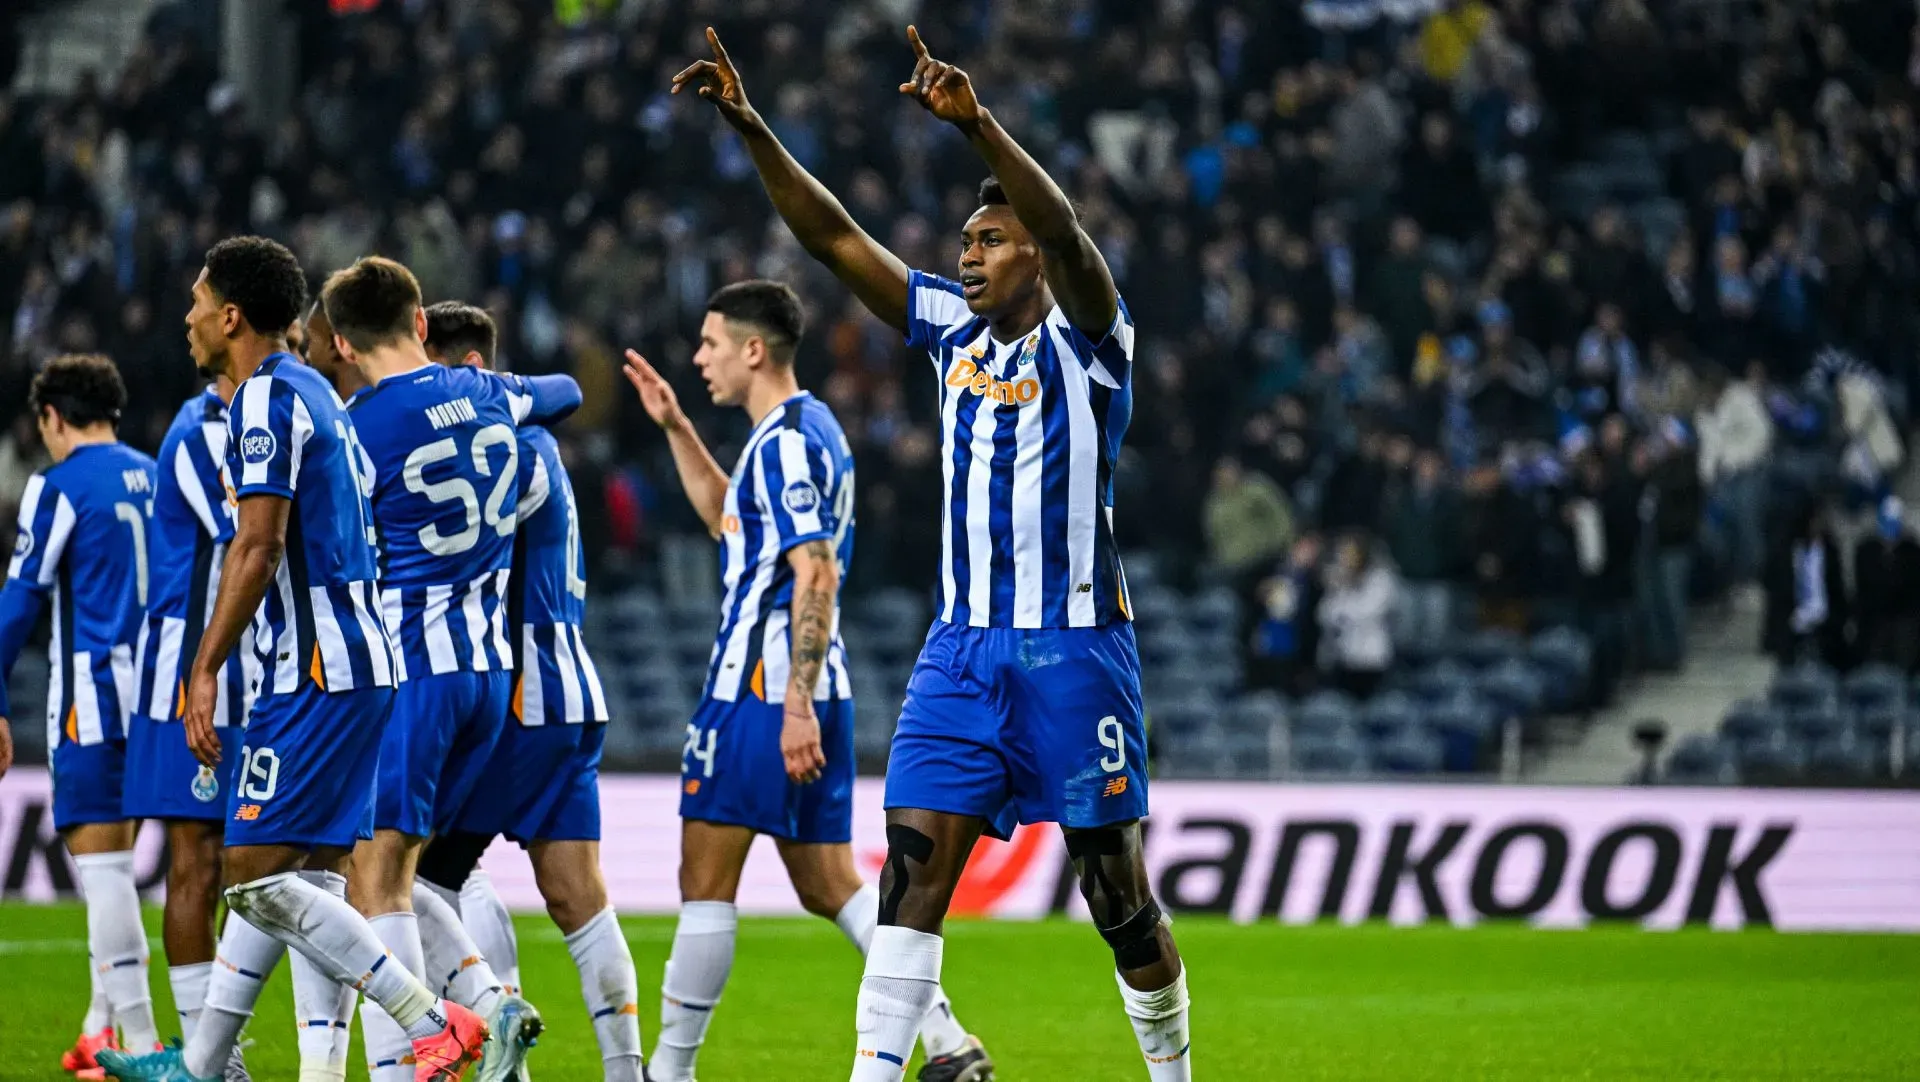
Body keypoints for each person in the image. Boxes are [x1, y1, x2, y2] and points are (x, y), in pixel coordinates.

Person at [674, 27, 1190, 1081]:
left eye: (990, 237)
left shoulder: (1094, 341)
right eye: (963, 237)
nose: (967, 251)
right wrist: (751, 124)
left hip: (1076, 649)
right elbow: (833, 240)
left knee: (1116, 896)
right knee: (910, 877)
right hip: (958, 655)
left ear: (1034, 254)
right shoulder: (951, 329)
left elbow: (1074, 233)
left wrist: (980, 126)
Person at [98, 236, 488, 1082]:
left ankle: (438, 1021)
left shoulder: (266, 400)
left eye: (199, 301)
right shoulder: (319, 390)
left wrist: (204, 667)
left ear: (231, 315)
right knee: (322, 871)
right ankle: (235, 1064)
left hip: (317, 672)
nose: (189, 317)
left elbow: (259, 543)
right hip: (359, 660)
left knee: (250, 875)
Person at [621, 280, 992, 1082]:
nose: (698, 359)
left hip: (761, 687)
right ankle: (946, 1037)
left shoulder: (786, 443)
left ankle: (668, 1071)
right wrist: (678, 427)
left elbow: (813, 570)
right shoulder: (804, 431)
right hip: (808, 684)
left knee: (704, 880)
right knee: (828, 882)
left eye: (711, 344)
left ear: (754, 350)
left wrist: (792, 705)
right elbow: (734, 520)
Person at [326, 257, 579, 1082]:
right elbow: (568, 390)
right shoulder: (486, 393)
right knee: (406, 872)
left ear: (341, 343)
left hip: (412, 670)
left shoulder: (356, 427)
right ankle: (490, 998)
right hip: (487, 676)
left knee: (374, 878)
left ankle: (407, 1064)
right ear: (422, 325)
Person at [410, 301, 645, 1082]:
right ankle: (626, 1070)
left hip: (516, 697)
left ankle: (494, 1037)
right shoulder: (539, 444)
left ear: (472, 372)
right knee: (577, 898)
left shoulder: (501, 448)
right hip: (568, 688)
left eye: (431, 375)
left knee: (417, 879)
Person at [0, 354, 161, 1078]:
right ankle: (99, 1027)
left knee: (104, 873)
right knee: (120, 867)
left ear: (52, 419)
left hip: (92, 699)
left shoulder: (58, 485)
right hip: (162, 698)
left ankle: (141, 1041)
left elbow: (19, 601)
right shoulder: (157, 473)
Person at [120, 362, 263, 1077]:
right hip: (193, 671)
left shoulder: (266, 415)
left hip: (259, 667)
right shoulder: (205, 428)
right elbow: (252, 530)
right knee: (198, 860)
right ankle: (208, 1057)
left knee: (267, 865)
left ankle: (217, 1049)